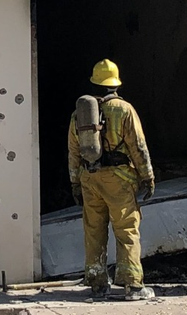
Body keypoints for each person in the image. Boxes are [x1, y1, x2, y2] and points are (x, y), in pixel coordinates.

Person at [67, 59, 156, 301]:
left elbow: (74, 151)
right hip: (118, 179)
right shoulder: (124, 109)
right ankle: (133, 286)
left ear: (94, 83)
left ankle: (97, 285)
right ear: (115, 84)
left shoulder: (79, 114)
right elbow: (138, 147)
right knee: (126, 229)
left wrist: (75, 183)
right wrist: (147, 177)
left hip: (89, 179)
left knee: (94, 231)